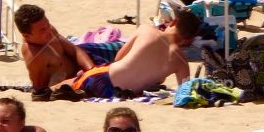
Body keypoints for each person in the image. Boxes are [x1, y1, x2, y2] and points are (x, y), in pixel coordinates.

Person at [64, 11, 202, 99]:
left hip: (102, 78)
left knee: (71, 83)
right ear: (189, 40)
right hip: (115, 93)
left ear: (174, 22)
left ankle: (46, 90)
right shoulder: (181, 61)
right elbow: (185, 92)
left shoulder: (146, 29)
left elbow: (118, 58)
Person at [14, 2, 98, 97]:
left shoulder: (49, 30)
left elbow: (74, 50)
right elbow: (41, 91)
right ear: (27, 36)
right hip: (78, 79)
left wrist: (92, 70)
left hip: (87, 60)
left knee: (116, 49)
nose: (49, 30)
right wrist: (83, 78)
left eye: (48, 24)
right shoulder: (34, 55)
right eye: (42, 30)